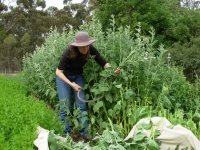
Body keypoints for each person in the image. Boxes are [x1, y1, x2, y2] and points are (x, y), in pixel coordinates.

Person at [56, 31, 119, 142]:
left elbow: (103, 63)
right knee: (65, 107)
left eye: (87, 46)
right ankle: (64, 135)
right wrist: (71, 84)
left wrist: (113, 69)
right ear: (76, 46)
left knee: (82, 105)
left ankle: (85, 134)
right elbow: (58, 72)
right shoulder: (68, 52)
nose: (85, 49)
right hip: (64, 78)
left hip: (78, 77)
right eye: (82, 47)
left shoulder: (90, 49)